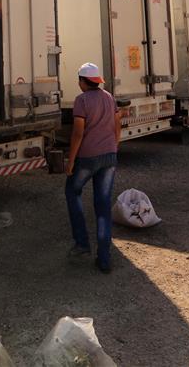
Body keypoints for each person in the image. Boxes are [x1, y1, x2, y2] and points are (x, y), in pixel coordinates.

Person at [64, 62, 122, 274]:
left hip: (88, 158)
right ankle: (104, 258)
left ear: (82, 81)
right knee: (103, 205)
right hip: (109, 158)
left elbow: (78, 133)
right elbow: (117, 122)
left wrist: (71, 161)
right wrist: (114, 145)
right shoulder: (108, 97)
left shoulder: (81, 101)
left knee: (72, 191)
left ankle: (81, 243)